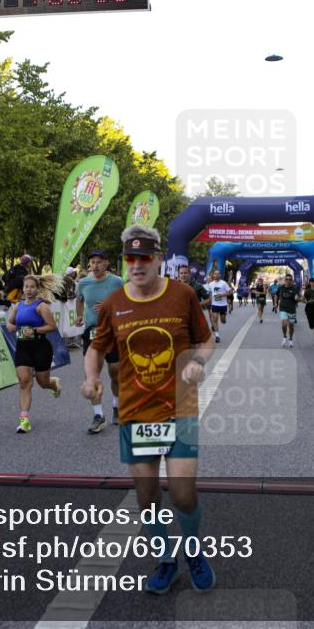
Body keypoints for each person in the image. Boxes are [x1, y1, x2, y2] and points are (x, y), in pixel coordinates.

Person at [81, 225, 216, 594]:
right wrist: (91, 376)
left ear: (158, 259)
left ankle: (193, 552)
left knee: (183, 492)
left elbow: (206, 339)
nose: (137, 265)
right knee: (147, 496)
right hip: (137, 412)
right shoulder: (113, 304)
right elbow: (96, 347)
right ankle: (166, 561)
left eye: (144, 258)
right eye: (130, 258)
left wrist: (198, 362)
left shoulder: (183, 294)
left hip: (180, 407)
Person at [6, 274, 63, 433]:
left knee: (42, 382)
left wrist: (35, 330)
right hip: (23, 346)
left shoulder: (41, 306)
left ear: (37, 289)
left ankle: (54, 384)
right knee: (24, 382)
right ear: (22, 289)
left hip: (41, 346)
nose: (29, 290)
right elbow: (10, 322)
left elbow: (52, 326)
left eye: (32, 287)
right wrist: (10, 326)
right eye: (26, 287)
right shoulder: (18, 306)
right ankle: (24, 420)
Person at [76, 250, 124, 433]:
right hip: (92, 332)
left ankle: (117, 406)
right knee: (91, 375)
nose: (94, 266)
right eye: (92, 262)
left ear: (106, 263)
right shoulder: (83, 283)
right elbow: (80, 300)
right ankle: (98, 415)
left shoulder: (117, 282)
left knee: (115, 373)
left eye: (98, 262)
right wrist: (80, 315)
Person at [204, 269, 232, 344]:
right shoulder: (211, 284)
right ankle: (217, 336)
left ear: (220, 275)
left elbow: (230, 292)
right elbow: (208, 293)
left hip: (223, 305)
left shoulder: (223, 283)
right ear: (213, 275)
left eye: (218, 274)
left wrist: (222, 295)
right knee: (215, 318)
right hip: (215, 304)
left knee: (223, 321)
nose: (216, 275)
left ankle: (223, 319)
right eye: (215, 274)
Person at [277, 274, 301, 348]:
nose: (288, 281)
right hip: (283, 308)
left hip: (291, 309)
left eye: (289, 279)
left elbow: (298, 297)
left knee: (291, 325)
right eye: (286, 279)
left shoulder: (295, 289)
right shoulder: (281, 288)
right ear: (285, 280)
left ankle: (290, 339)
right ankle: (284, 337)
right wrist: (275, 303)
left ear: (292, 281)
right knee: (284, 323)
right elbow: (276, 295)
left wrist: (298, 298)